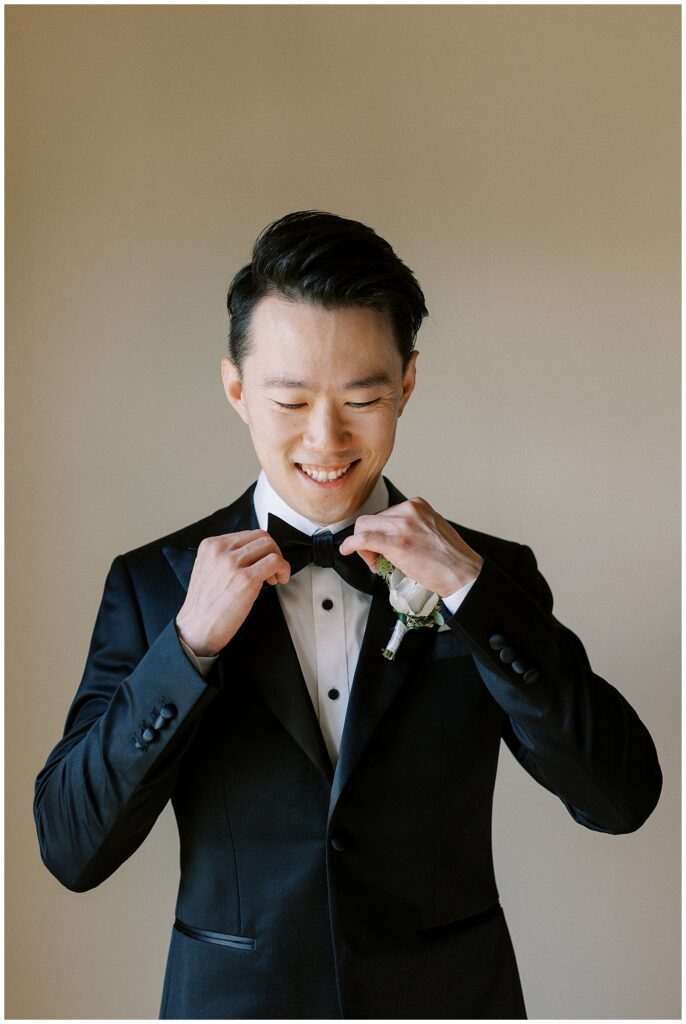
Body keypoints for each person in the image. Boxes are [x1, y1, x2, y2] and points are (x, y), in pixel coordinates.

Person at [34, 210, 662, 1020]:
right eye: (290, 400)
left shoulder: (493, 576)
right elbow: (70, 847)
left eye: (362, 397)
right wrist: (186, 648)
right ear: (236, 389)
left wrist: (472, 593)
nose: (325, 439)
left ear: (406, 382)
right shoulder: (154, 584)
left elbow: (620, 797)